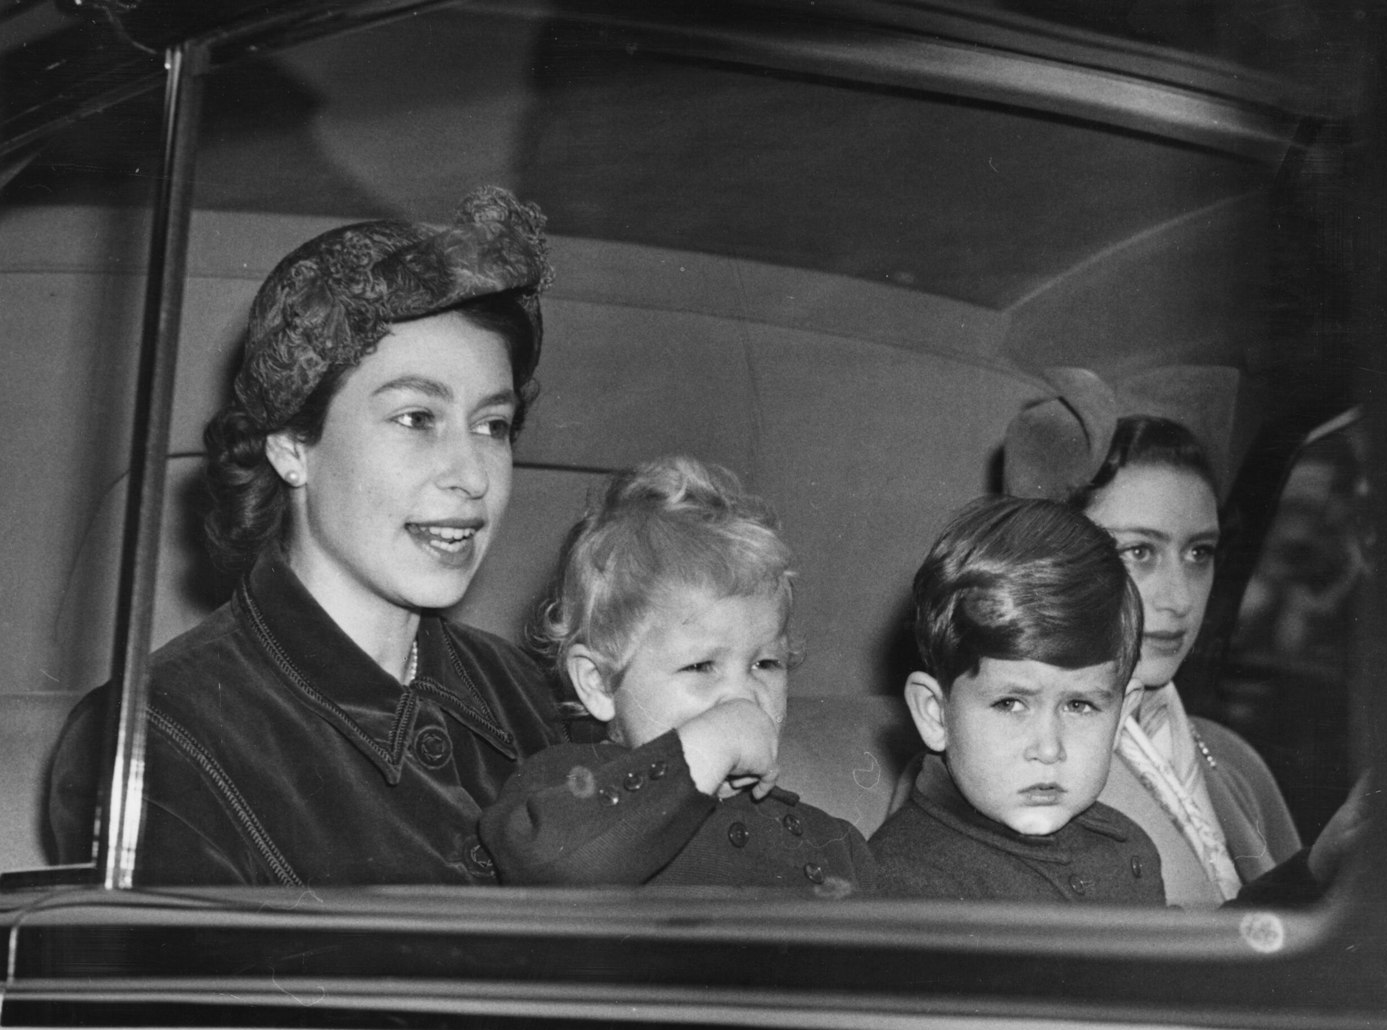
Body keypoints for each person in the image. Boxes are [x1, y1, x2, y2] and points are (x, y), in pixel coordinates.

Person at [46, 185, 577, 885]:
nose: (473, 475)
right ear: (292, 443)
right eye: (417, 418)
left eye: (493, 425)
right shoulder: (151, 741)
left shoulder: (526, 694)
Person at [1003, 365, 1349, 908]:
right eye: (1139, 552)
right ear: (1051, 559)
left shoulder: (1231, 762)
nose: (1180, 599)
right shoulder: (1010, 768)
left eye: (1198, 554)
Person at [481, 456, 875, 894]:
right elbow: (552, 867)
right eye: (701, 666)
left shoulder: (832, 841)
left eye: (765, 664)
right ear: (597, 682)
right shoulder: (564, 787)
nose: (742, 696)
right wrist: (706, 747)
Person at [869, 496, 1160, 903]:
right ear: (935, 714)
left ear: (1122, 716)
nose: (1048, 749)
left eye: (1079, 705)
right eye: (1010, 704)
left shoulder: (1130, 850)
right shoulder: (907, 884)